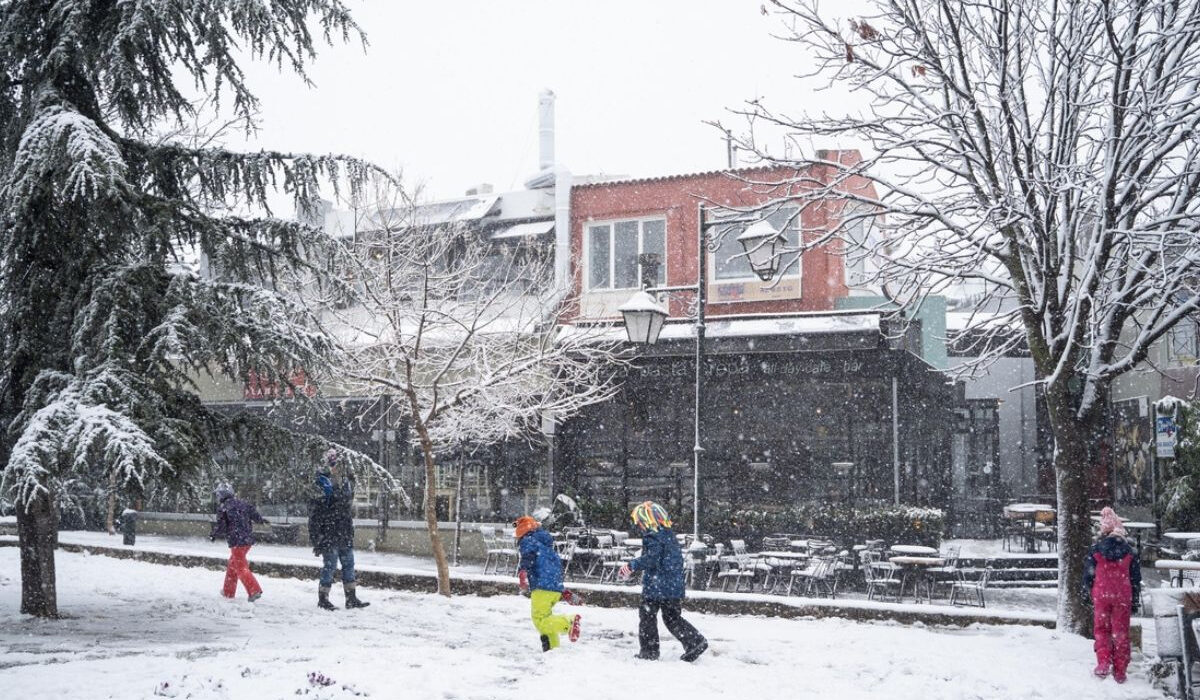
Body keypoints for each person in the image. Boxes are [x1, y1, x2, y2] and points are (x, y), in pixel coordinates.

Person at [619, 501, 708, 662]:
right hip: (673, 585)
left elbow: (652, 559)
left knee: (647, 616)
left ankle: (649, 651)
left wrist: (632, 565)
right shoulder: (668, 535)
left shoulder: (653, 536)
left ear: (647, 521)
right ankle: (694, 641)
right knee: (672, 617)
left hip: (657, 585)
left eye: (639, 522)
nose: (639, 526)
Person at [1082, 506, 1141, 684]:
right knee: (1121, 632)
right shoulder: (1130, 552)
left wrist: (1088, 591)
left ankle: (1103, 663)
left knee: (1102, 630)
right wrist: (1135, 599)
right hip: (1123, 596)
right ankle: (1120, 670)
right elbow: (1135, 579)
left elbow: (1088, 575)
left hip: (1101, 594)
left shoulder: (1096, 550)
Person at [309, 448, 369, 611]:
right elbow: (315, 516)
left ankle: (351, 598)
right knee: (330, 566)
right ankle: (323, 599)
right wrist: (317, 538)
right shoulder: (322, 484)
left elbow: (346, 510)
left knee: (349, 565)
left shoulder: (346, 484)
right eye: (333, 463)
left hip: (343, 532)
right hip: (329, 533)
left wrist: (349, 530)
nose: (337, 467)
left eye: (338, 464)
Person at [514, 515, 581, 651]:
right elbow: (552, 573)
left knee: (539, 620)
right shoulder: (547, 548)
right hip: (552, 589)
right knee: (546, 619)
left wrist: (523, 573)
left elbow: (527, 557)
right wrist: (564, 592)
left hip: (541, 587)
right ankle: (552, 649)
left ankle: (568, 622)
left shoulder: (528, 541)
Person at [209, 483, 266, 602]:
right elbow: (255, 515)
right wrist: (261, 520)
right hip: (247, 540)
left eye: (218, 494)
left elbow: (222, 526)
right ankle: (228, 592)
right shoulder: (243, 503)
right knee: (232, 565)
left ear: (222, 495)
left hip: (236, 541)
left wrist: (214, 534)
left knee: (240, 567)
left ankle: (254, 590)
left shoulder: (223, 508)